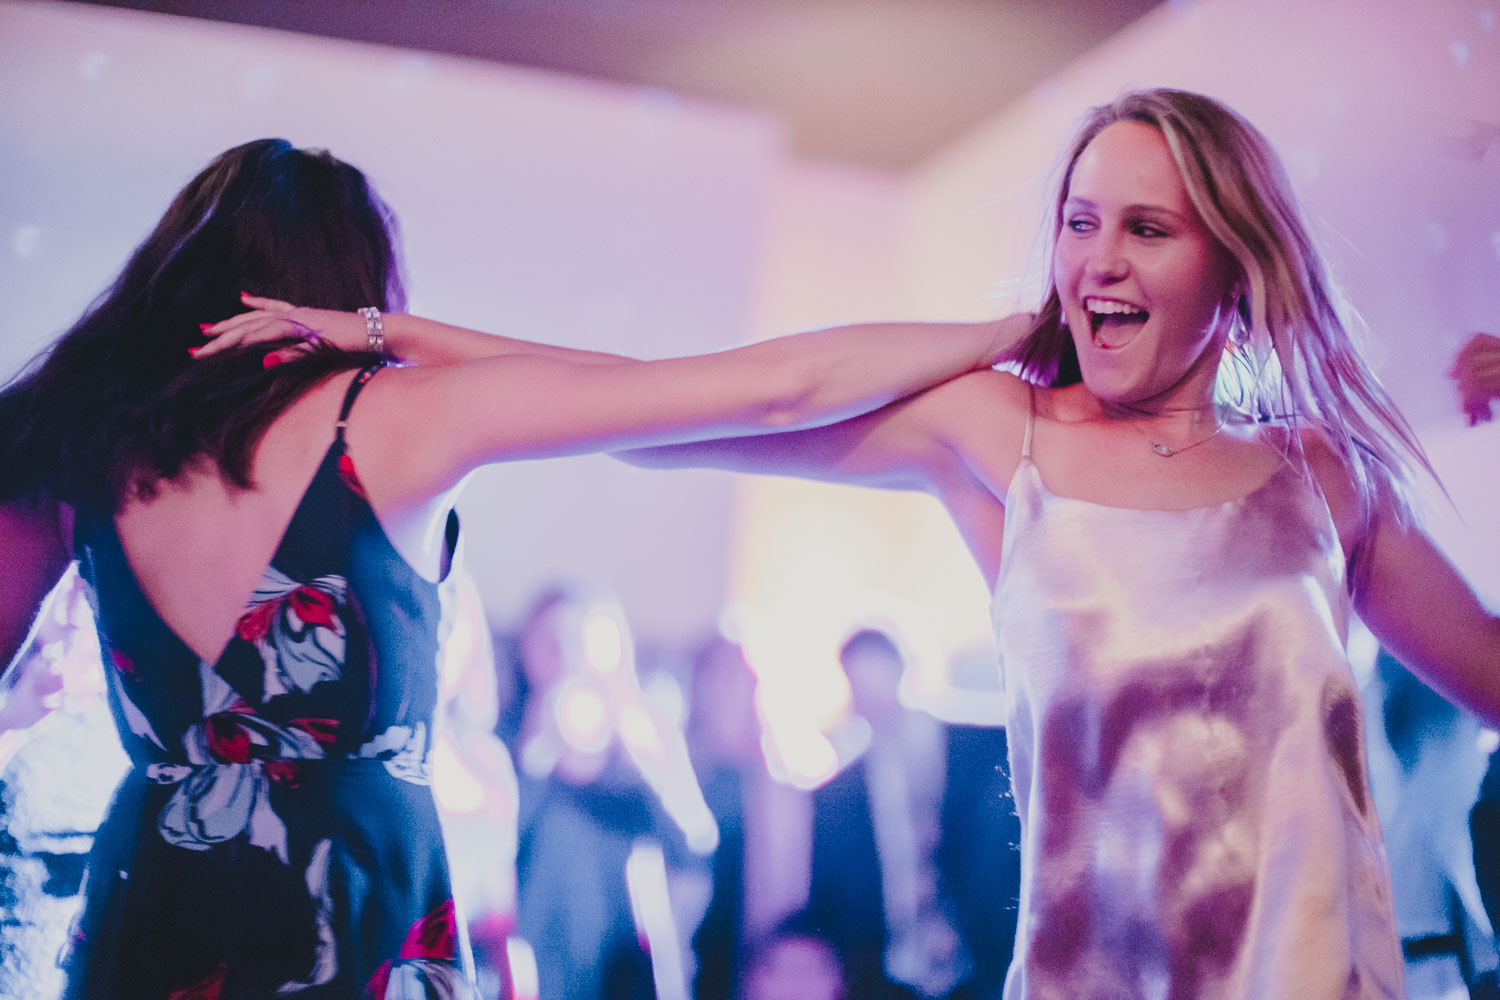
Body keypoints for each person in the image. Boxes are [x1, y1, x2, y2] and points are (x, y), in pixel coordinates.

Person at [0, 138, 1024, 998]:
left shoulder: (85, 441)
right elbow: (777, 390)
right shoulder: (393, 418)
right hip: (353, 907)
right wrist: (1003, 331)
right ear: (353, 283)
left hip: (153, 900)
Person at [604, 89, 1500, 997]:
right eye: (1080, 223)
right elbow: (704, 411)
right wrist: (468, 373)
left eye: (1148, 229)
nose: (1100, 261)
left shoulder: (1324, 476)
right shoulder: (1010, 439)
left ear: (1234, 263)